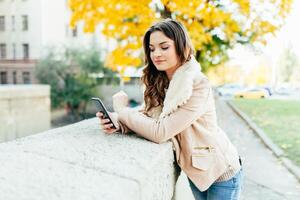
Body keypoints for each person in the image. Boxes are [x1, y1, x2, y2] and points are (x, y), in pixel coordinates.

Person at [96, 18, 243, 200]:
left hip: (221, 173)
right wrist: (118, 123)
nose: (156, 53)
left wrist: (122, 110)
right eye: (151, 49)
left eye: (164, 47)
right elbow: (148, 117)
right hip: (196, 171)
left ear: (181, 46)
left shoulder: (197, 84)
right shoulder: (161, 83)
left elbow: (160, 131)